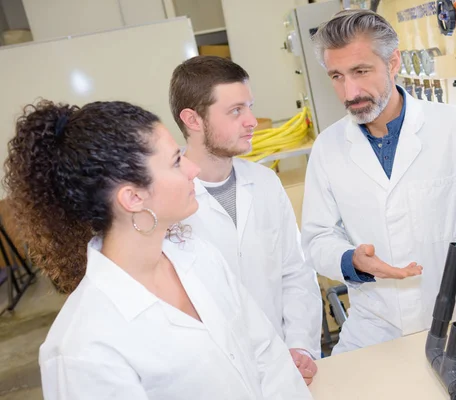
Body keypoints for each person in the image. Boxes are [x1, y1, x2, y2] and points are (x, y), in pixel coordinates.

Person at [3, 100, 313, 399]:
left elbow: (266, 353)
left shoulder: (197, 255)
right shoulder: (81, 348)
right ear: (133, 198)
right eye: (176, 161)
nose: (191, 168)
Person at [301, 9, 456, 355]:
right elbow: (317, 239)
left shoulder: (454, 126)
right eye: (337, 76)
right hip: (374, 327)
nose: (349, 92)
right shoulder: (328, 147)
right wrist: (351, 260)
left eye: (361, 71)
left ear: (393, 62)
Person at [169, 56, 322, 383]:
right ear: (193, 119)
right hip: (210, 381)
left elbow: (295, 272)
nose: (252, 120)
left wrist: (301, 347)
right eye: (236, 111)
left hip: (283, 368)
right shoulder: (167, 204)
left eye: (249, 107)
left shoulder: (265, 183)